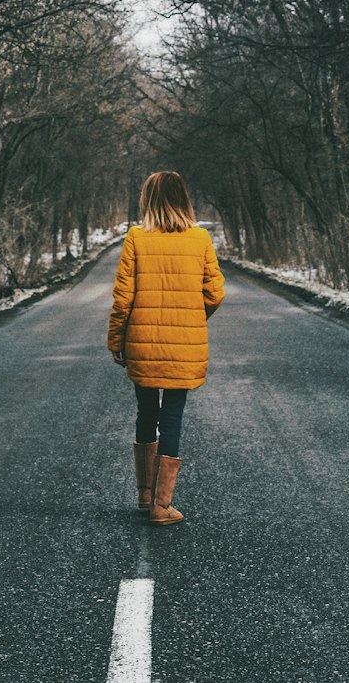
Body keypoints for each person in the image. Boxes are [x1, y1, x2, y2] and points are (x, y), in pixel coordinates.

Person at [107, 170, 226, 526]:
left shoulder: (136, 239)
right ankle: (162, 505)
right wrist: (194, 315)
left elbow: (122, 299)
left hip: (141, 342)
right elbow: (216, 292)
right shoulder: (200, 238)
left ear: (148, 200)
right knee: (172, 416)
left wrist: (116, 340)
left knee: (146, 412)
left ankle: (144, 495)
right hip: (184, 345)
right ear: (183, 199)